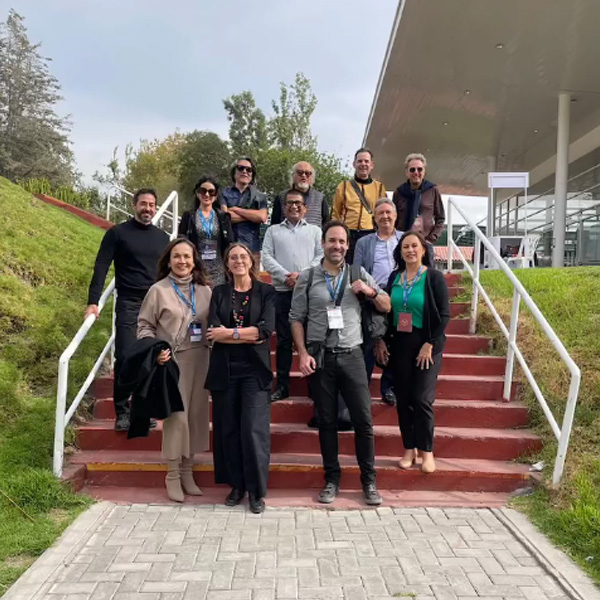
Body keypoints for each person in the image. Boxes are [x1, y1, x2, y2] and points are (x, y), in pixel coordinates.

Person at [289, 220, 390, 506]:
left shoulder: (358, 273)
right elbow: (295, 318)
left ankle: (369, 481)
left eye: (342, 241)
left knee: (363, 421)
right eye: (332, 240)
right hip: (321, 358)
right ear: (323, 244)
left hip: (353, 355)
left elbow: (386, 305)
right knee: (326, 422)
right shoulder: (308, 277)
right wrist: (302, 353)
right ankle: (331, 479)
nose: (337, 246)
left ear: (348, 245)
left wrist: (370, 291)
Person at [86, 188, 169, 431]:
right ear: (134, 206)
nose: (148, 208)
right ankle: (122, 412)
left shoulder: (163, 238)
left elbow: (170, 272)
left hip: (156, 304)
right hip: (129, 303)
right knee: (124, 355)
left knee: (151, 358)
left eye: (151, 204)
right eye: (143, 204)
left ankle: (142, 410)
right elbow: (101, 266)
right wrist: (93, 301)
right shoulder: (118, 233)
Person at [137, 238, 212, 502]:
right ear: (168, 261)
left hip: (200, 359)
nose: (182, 261)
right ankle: (172, 474)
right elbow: (144, 326)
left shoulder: (205, 291)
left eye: (187, 257)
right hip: (171, 363)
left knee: (196, 417)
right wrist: (155, 350)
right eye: (177, 256)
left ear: (194, 261)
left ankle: (188, 471)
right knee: (177, 418)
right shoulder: (158, 290)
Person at [205, 242, 275, 514]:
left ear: (251, 261)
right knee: (229, 430)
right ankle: (237, 485)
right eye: (232, 257)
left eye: (243, 257)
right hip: (224, 370)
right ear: (227, 264)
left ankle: (256, 491)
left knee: (253, 431)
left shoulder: (265, 292)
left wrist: (230, 334)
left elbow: (264, 331)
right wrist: (244, 334)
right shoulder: (219, 293)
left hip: (254, 372)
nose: (238, 261)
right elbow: (213, 332)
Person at [376, 231, 450, 474]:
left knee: (421, 399)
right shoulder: (394, 277)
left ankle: (426, 451)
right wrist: (382, 340)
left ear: (423, 250)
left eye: (414, 246)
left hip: (426, 344)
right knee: (404, 400)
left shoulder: (433, 277)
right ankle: (409, 449)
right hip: (400, 344)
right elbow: (388, 312)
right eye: (405, 246)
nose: (410, 250)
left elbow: (444, 315)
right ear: (400, 251)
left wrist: (430, 343)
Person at [262, 189, 323, 401]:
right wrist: (285, 275)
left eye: (298, 203)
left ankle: (314, 386)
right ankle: (283, 385)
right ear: (284, 207)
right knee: (284, 340)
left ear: (305, 208)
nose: (294, 206)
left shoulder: (315, 231)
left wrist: (301, 276)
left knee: (311, 339)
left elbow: (320, 257)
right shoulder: (273, 231)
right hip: (282, 292)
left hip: (309, 293)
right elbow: (266, 257)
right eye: (289, 202)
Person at [354, 198, 403, 406]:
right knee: (369, 343)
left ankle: (389, 387)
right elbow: (357, 270)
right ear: (374, 217)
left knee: (398, 342)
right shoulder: (364, 242)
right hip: (373, 295)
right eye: (380, 213)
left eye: (388, 212)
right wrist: (370, 293)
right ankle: (361, 391)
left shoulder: (404, 239)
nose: (385, 216)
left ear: (395, 216)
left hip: (400, 296)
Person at [331, 148, 386, 263]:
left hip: (369, 233)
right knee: (346, 266)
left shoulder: (379, 188)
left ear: (372, 165)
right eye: (360, 161)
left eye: (366, 161)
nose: (363, 164)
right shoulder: (343, 186)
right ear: (354, 164)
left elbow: (382, 212)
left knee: (367, 266)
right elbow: (335, 213)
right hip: (348, 233)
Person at [179, 176, 234, 288]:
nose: (207, 194)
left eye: (211, 191)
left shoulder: (223, 217)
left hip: (218, 270)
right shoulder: (188, 216)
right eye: (203, 191)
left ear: (216, 195)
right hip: (196, 269)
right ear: (197, 193)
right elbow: (181, 241)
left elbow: (230, 242)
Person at [392, 153, 445, 244]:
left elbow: (440, 219)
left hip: (425, 242)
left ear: (424, 172)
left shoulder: (432, 190)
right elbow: (393, 218)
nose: (416, 172)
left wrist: (431, 239)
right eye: (412, 170)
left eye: (419, 169)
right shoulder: (399, 192)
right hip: (403, 242)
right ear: (407, 172)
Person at [221, 157, 268, 258]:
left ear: (252, 174)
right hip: (228, 248)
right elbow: (224, 218)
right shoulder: (223, 193)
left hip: (252, 249)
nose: (245, 171)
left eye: (249, 169)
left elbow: (262, 217)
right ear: (234, 172)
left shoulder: (260, 196)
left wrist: (235, 209)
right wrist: (252, 216)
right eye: (240, 168)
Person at [270, 161, 329, 228]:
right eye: (300, 173)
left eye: (307, 173)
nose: (304, 176)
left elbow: (326, 225)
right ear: (293, 176)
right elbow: (274, 224)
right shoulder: (281, 197)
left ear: (312, 178)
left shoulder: (320, 198)